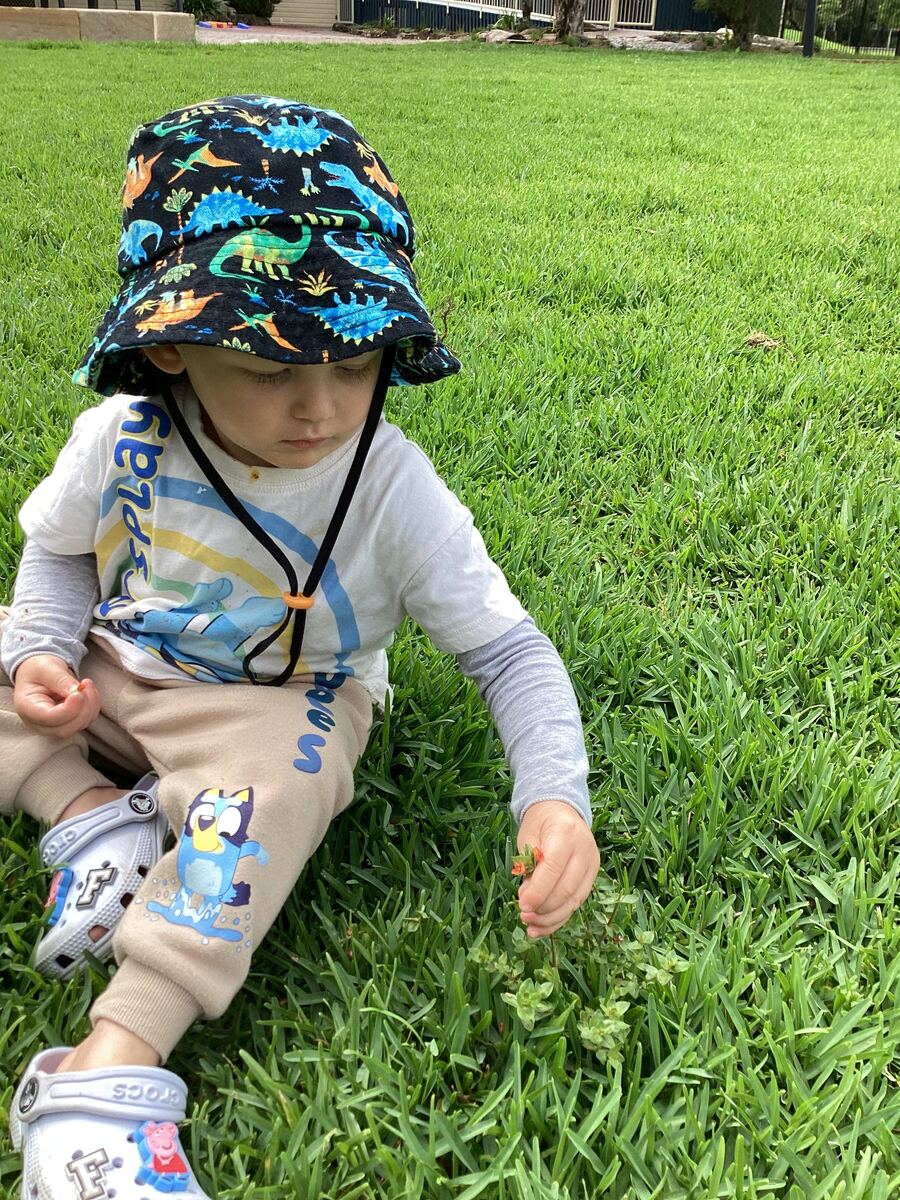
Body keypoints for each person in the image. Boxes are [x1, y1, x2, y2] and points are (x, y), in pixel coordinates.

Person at [2, 95, 600, 1199]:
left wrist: (552, 794)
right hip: (112, 670)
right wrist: (40, 648)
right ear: (172, 345)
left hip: (277, 705)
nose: (320, 406)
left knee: (273, 799)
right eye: (272, 366)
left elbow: (511, 656)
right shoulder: (119, 438)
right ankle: (90, 819)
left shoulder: (389, 490)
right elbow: (56, 557)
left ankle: (103, 1071)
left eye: (357, 358)